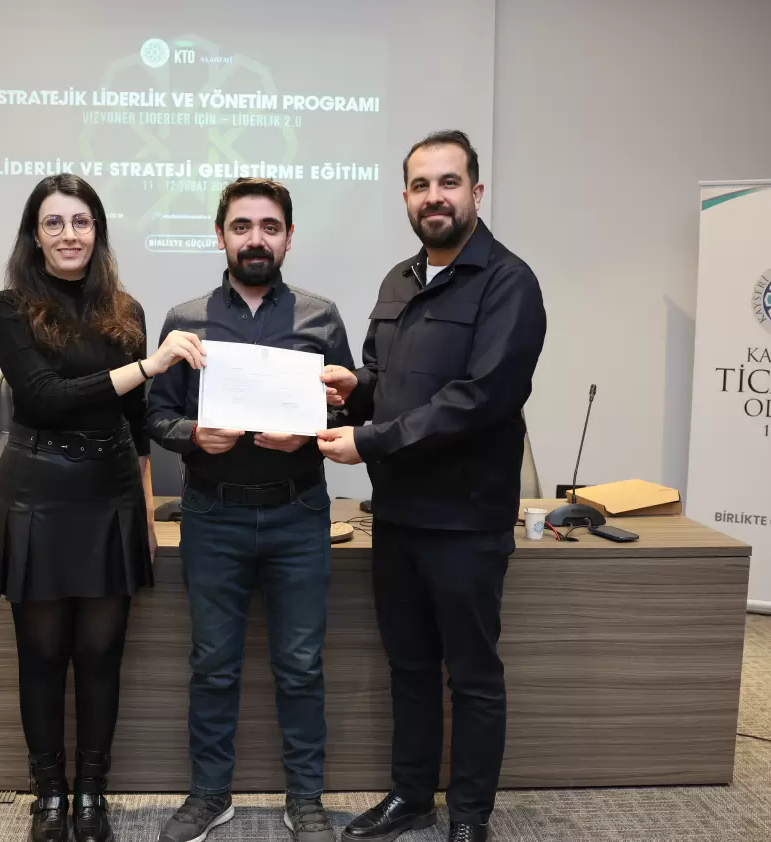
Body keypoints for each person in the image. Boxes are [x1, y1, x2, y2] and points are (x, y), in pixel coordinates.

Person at [317, 130, 547, 842]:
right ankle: (411, 795)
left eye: (448, 183)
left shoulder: (509, 282)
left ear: (476, 191)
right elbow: (385, 379)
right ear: (406, 197)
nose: (434, 197)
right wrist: (355, 390)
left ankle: (470, 816)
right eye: (421, 185)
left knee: (472, 675)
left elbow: (479, 399)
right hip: (398, 515)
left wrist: (370, 440)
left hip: (467, 521)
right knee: (410, 666)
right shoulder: (399, 279)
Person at [0, 173, 205, 842]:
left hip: (111, 493)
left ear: (98, 232)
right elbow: (45, 397)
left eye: (80, 222)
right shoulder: (10, 307)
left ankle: (91, 794)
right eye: (53, 223)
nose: (68, 235)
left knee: (102, 652)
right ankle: (48, 795)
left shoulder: (125, 310)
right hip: (39, 490)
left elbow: (136, 423)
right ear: (34, 236)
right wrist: (149, 367)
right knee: (42, 653)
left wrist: (145, 510)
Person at [148, 178, 355, 842]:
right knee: (212, 663)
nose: (255, 239)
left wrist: (312, 431)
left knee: (302, 665)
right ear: (220, 236)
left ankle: (306, 798)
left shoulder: (321, 317)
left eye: (269, 227)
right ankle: (210, 794)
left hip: (299, 514)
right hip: (213, 515)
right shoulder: (185, 320)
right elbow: (156, 413)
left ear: (289, 237)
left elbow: (347, 408)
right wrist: (192, 435)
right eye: (242, 227)